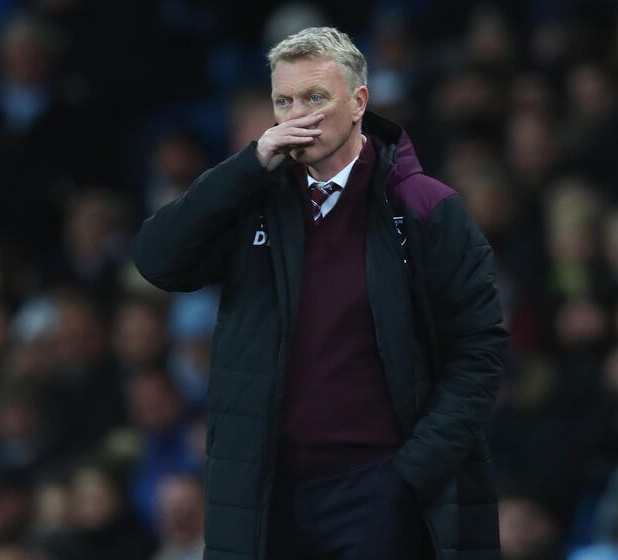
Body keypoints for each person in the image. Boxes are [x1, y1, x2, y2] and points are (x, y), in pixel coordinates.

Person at [132, 26, 506, 560]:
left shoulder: (425, 207)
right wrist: (246, 166)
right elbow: (156, 260)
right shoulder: (252, 199)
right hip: (268, 496)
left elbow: (479, 349)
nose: (299, 115)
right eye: (284, 101)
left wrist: (410, 475)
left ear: (358, 103)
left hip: (382, 490)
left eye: (315, 98)